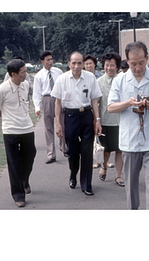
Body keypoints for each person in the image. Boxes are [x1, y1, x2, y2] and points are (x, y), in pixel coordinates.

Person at [108, 41, 149, 210]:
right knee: (131, 185)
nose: (137, 67)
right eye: (133, 64)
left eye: (141, 63)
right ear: (127, 61)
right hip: (129, 141)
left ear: (147, 58)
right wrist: (128, 103)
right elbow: (111, 107)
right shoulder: (120, 80)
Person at [52, 51, 102, 196]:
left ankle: (86, 184)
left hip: (86, 115)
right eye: (74, 63)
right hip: (70, 116)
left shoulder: (90, 77)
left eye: (80, 63)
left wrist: (97, 120)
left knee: (86, 152)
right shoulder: (62, 79)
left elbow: (94, 100)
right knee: (73, 152)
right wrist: (58, 124)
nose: (77, 66)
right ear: (69, 64)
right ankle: (73, 174)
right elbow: (57, 102)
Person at [0, 59, 36, 208]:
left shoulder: (25, 85)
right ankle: (18, 195)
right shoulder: (2, 89)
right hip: (10, 131)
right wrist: (8, 119)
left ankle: (24, 181)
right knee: (14, 163)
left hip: (27, 128)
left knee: (29, 157)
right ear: (13, 74)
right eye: (23, 72)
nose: (26, 74)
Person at [97, 52, 125, 187]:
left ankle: (118, 176)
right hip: (105, 121)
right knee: (106, 150)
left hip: (121, 121)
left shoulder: (123, 80)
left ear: (117, 66)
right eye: (107, 65)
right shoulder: (99, 82)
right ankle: (104, 167)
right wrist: (96, 121)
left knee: (120, 150)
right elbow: (95, 103)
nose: (109, 68)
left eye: (112, 65)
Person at [32, 50, 64, 164]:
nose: (50, 62)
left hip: (59, 98)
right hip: (47, 99)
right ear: (42, 62)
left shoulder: (58, 72)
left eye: (51, 59)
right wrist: (37, 107)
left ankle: (64, 147)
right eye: (48, 60)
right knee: (48, 127)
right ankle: (51, 154)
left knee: (63, 123)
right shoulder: (39, 76)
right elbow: (36, 93)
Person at [83, 54, 113, 169]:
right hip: (88, 110)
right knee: (92, 136)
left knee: (103, 135)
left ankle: (106, 160)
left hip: (100, 109)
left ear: (95, 64)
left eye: (90, 63)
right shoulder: (83, 77)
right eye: (86, 64)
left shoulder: (101, 77)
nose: (88, 66)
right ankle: (96, 160)